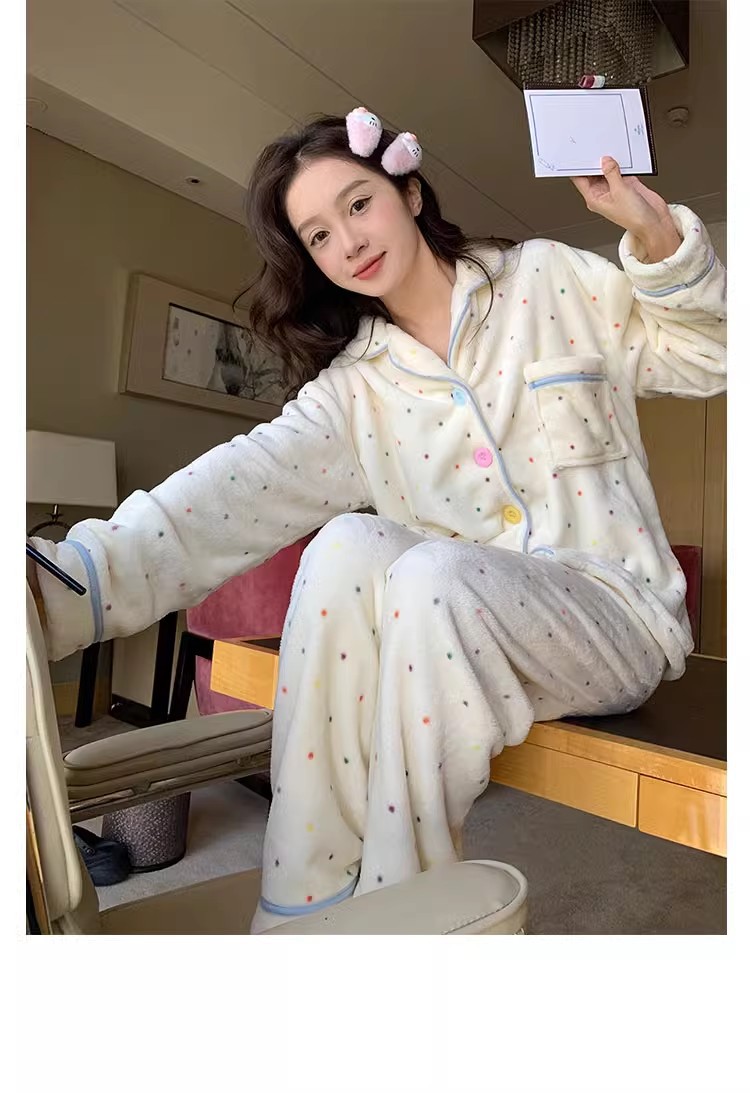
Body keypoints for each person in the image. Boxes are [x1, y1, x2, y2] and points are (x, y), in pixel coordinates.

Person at [28, 109, 726, 932]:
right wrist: (63, 584)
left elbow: (709, 354)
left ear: (411, 192)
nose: (349, 242)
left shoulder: (547, 280)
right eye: (320, 236)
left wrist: (654, 234)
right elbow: (226, 496)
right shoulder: (355, 388)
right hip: (468, 628)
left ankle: (400, 918)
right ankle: (301, 907)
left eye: (358, 204)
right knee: (346, 543)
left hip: (615, 617)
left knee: (430, 571)